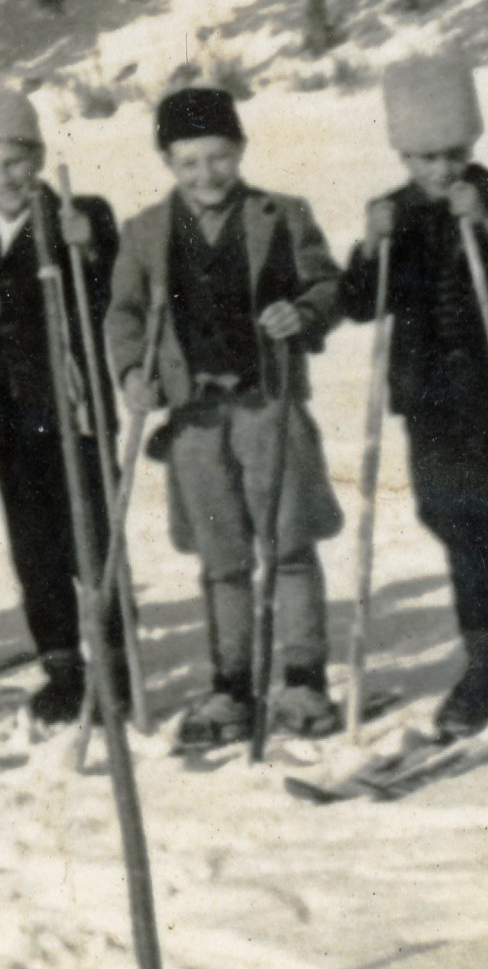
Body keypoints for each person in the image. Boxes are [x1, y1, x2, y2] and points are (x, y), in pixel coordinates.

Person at [103, 87, 346, 751]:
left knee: (289, 543)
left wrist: (304, 313)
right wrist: (133, 373)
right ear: (167, 161)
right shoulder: (145, 232)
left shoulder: (282, 214)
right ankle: (231, 684)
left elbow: (327, 285)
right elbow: (125, 315)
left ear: (239, 150)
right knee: (221, 556)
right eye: (189, 162)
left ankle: (303, 679)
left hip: (267, 404)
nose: (206, 174)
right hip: (194, 418)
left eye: (218, 157)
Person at [339, 57, 488, 738]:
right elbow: (360, 304)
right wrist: (371, 244)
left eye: (452, 154)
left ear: (470, 144)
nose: (441, 169)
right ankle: (485, 669)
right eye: (424, 157)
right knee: (463, 540)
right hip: (434, 409)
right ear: (403, 155)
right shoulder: (395, 212)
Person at [0, 85, 124, 727]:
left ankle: (116, 665)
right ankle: (63, 668)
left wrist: (90, 248)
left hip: (72, 403)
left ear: (39, 158)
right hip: (8, 415)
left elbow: (112, 289)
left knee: (91, 539)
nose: (4, 179)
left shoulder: (81, 212)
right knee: (34, 548)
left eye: (15, 162)